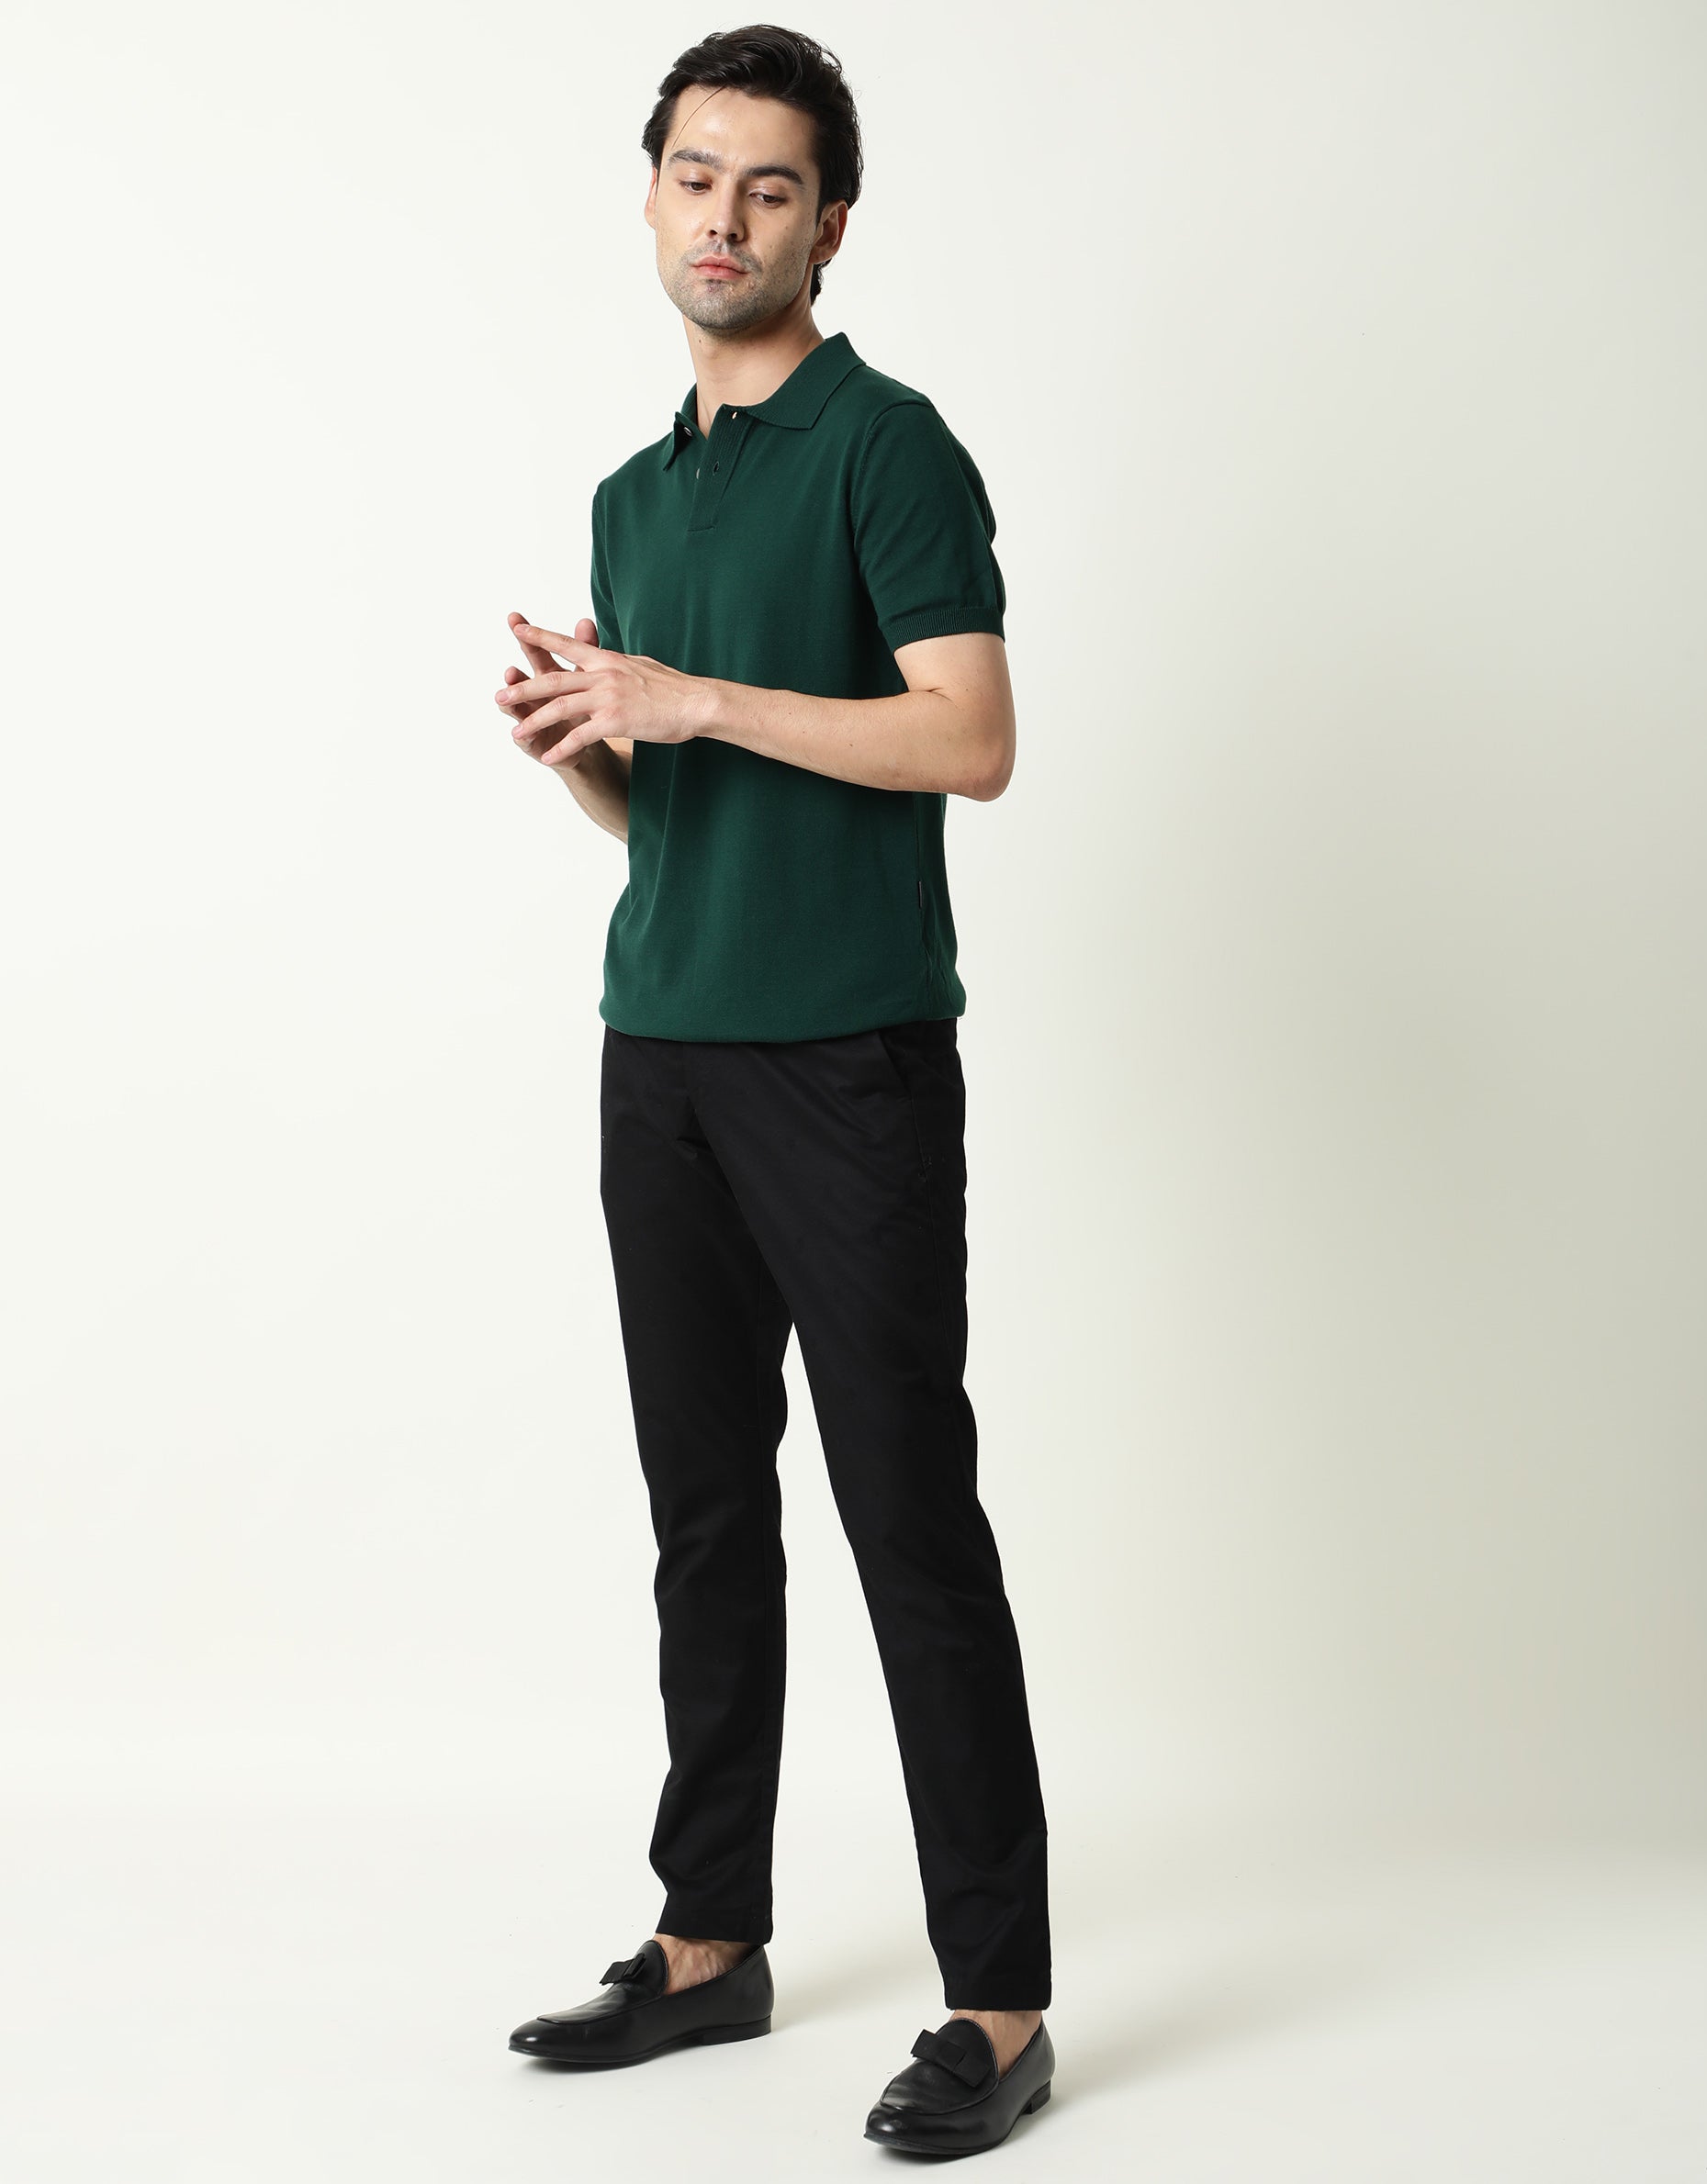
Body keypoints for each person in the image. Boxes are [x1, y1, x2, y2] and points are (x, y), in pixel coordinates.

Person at [496, 24, 1053, 2156]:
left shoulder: (889, 448)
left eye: (770, 186)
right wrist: (592, 743)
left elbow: (968, 737)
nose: (725, 217)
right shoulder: (639, 493)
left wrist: (696, 694)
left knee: (909, 1512)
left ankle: (997, 2000)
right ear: (651, 196)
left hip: (851, 1065)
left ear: (830, 222)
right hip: (664, 1054)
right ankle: (707, 1939)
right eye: (695, 176)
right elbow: (682, 815)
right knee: (705, 1511)